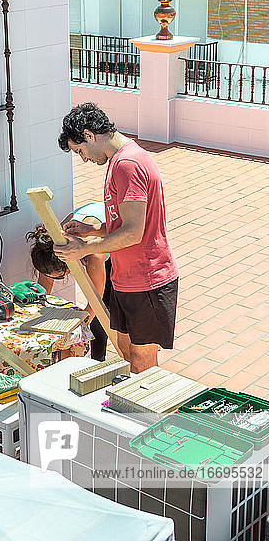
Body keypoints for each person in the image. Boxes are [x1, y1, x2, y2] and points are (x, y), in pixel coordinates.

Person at [54, 102, 178, 374]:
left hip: (147, 278)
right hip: (126, 277)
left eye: (80, 151)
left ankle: (147, 415)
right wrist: (93, 230)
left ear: (89, 135)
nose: (83, 158)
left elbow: (134, 233)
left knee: (141, 360)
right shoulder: (118, 161)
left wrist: (85, 247)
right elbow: (125, 224)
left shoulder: (127, 164)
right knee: (125, 353)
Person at [26, 202, 111, 361]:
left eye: (60, 276)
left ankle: (98, 361)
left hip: (110, 241)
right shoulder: (50, 245)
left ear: (69, 262)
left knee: (102, 314)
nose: (56, 280)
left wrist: (79, 327)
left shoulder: (93, 253)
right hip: (86, 230)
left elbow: (96, 298)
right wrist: (36, 312)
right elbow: (44, 287)